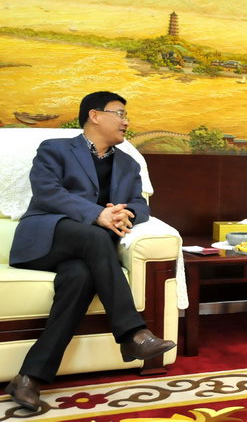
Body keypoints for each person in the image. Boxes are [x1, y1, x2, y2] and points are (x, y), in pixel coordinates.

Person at [5, 92, 176, 411]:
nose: (126, 121)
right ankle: (132, 332)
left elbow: (140, 204)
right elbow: (48, 193)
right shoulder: (55, 149)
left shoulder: (128, 163)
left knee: (81, 277)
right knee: (96, 236)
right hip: (48, 236)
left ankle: (29, 379)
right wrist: (98, 214)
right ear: (95, 115)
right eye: (120, 113)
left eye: (126, 115)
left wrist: (126, 214)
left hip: (88, 253)